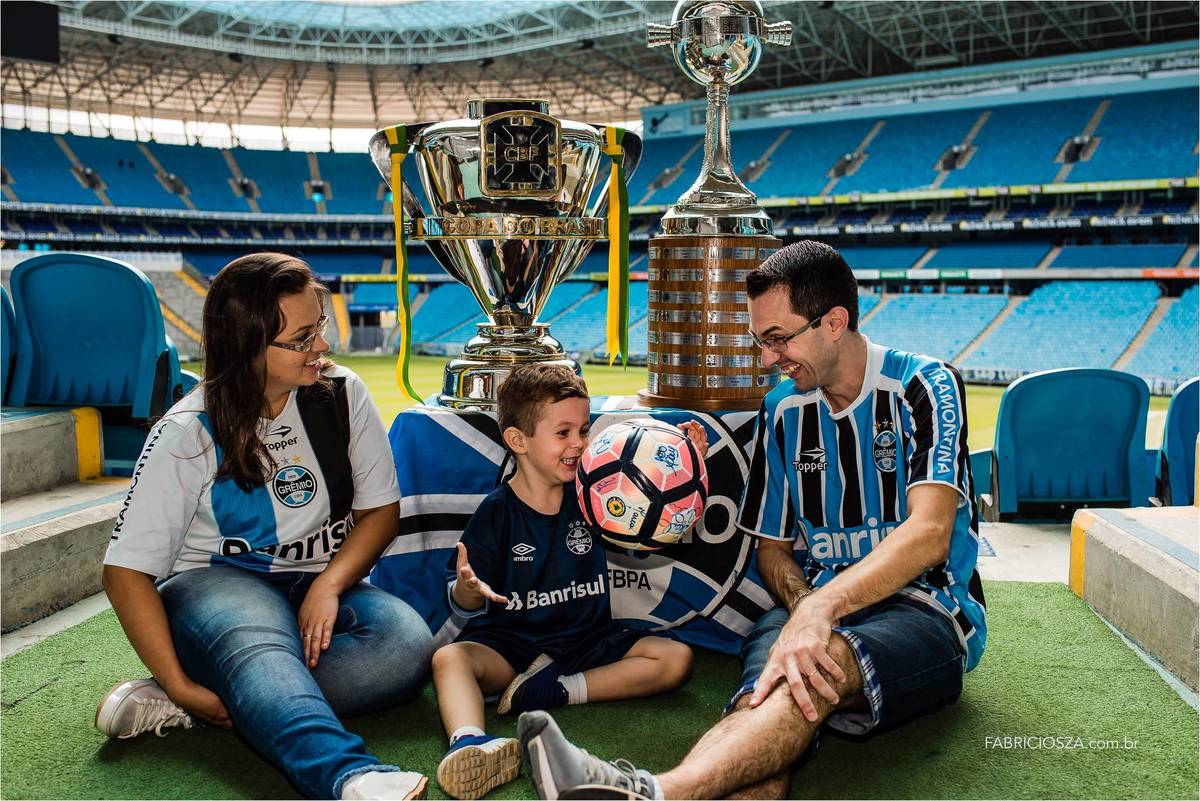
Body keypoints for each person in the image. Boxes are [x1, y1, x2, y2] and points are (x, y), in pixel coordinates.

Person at [516, 239, 987, 800]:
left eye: (777, 339)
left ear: (834, 321)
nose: (768, 360)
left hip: (925, 606)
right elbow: (772, 548)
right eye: (759, 341)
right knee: (761, 706)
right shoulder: (783, 409)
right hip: (809, 605)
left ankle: (650, 791)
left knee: (810, 672)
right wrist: (802, 608)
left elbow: (930, 534)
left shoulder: (925, 386)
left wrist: (821, 610)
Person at [96, 253, 434, 800]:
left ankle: (235, 690)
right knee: (260, 650)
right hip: (217, 586)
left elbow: (380, 513)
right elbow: (125, 572)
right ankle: (349, 775)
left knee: (404, 649)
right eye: (302, 339)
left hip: (319, 579)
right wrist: (184, 687)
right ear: (248, 345)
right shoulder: (187, 430)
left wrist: (328, 583)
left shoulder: (343, 393)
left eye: (319, 327)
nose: (321, 346)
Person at [431, 365, 705, 799]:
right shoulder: (497, 511)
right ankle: (470, 743)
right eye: (563, 433)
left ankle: (556, 691)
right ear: (518, 441)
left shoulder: (597, 493)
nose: (579, 443)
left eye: (584, 429)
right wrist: (466, 590)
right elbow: (463, 597)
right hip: (512, 644)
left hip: (586, 641)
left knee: (676, 659)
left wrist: (682, 475)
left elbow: (649, 534)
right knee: (451, 659)